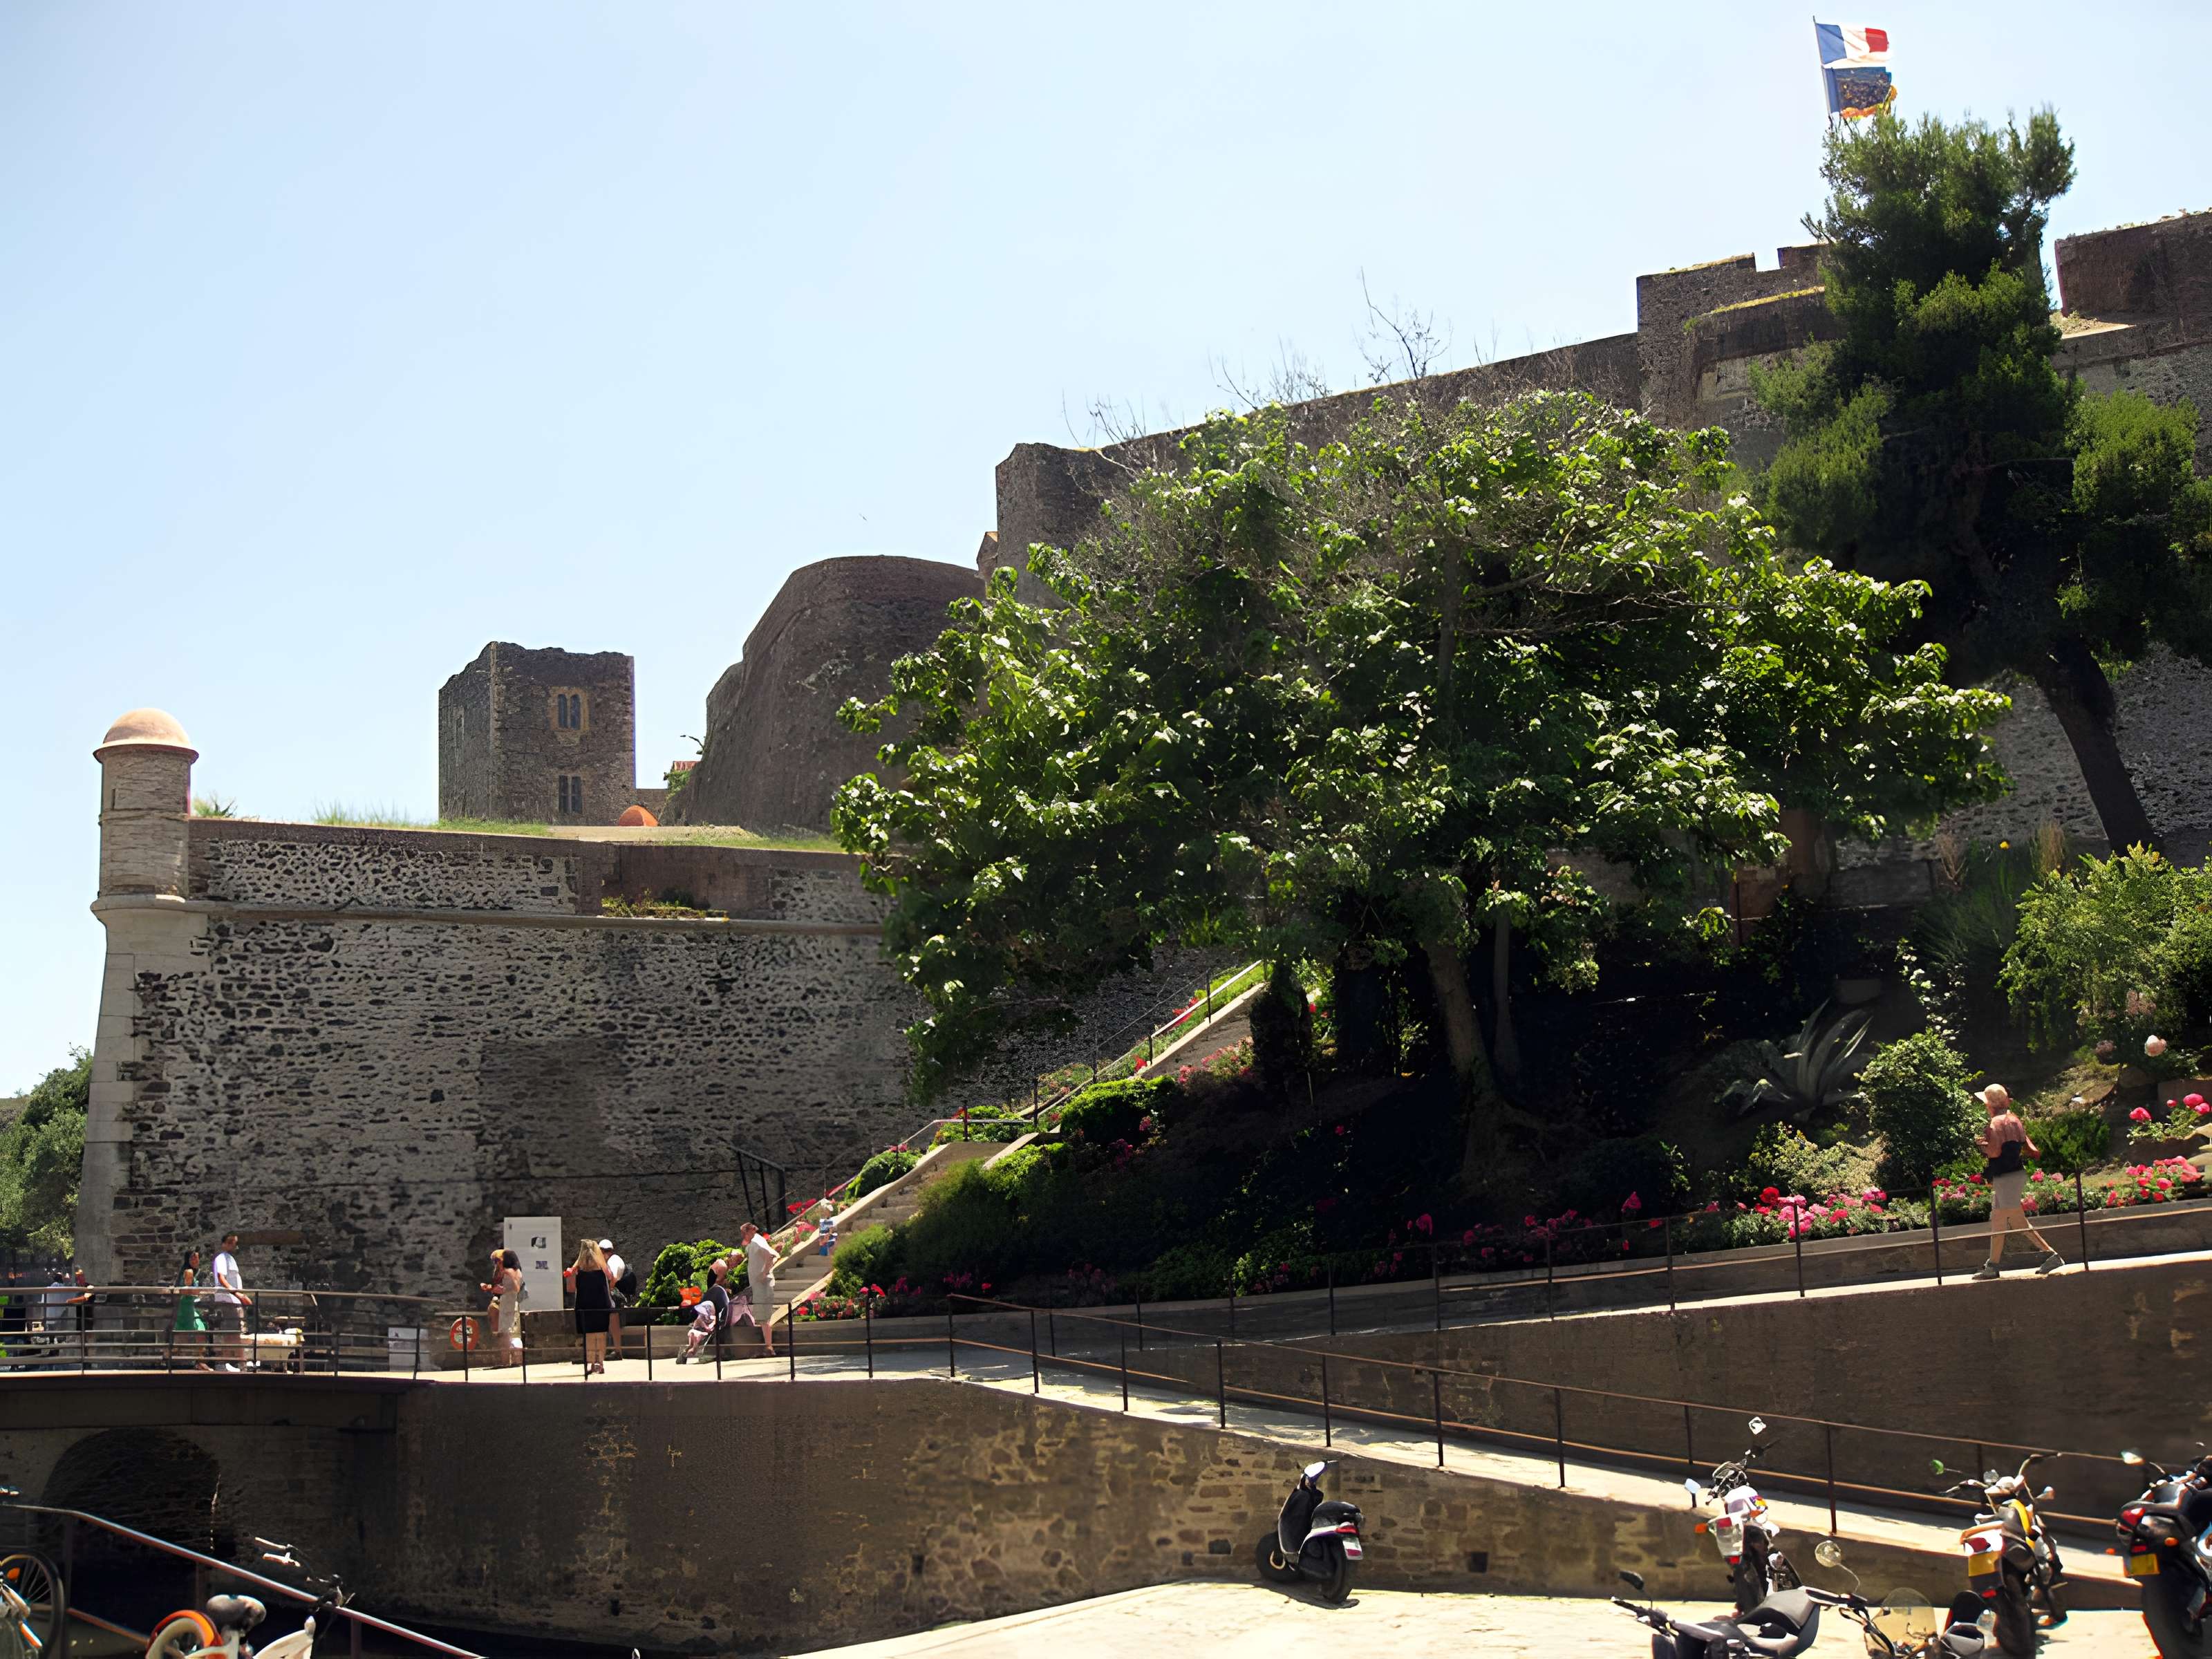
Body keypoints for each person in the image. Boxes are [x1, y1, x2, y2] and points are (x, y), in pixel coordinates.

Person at [1972, 1084, 2063, 1280]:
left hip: (2005, 1177)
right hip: (2016, 1174)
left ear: (1990, 1105)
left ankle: (2051, 1255)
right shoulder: (2015, 1120)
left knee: (2012, 1222)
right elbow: (2031, 1149)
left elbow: (1994, 1152)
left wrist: (1981, 1146)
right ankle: (1993, 1265)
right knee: (2004, 1221)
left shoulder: (1994, 1124)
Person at [210, 1232, 251, 1371]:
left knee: (235, 1331)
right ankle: (225, 1363)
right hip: (227, 1299)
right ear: (223, 1243)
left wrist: (240, 1295)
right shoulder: (221, 1258)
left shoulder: (231, 1259)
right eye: (230, 1242)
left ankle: (240, 1361)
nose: (233, 1245)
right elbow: (222, 1278)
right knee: (230, 1331)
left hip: (234, 1299)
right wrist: (238, 1294)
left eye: (234, 1242)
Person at [571, 1239, 611, 1375]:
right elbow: (610, 1276)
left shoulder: (578, 1267)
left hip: (585, 1303)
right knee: (600, 1334)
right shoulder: (601, 1265)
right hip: (600, 1302)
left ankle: (591, 1363)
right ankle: (600, 1363)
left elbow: (571, 1288)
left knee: (588, 1335)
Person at [741, 1221, 780, 1359]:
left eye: (744, 1232)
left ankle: (769, 1347)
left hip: (763, 1285)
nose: (743, 1235)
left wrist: (764, 1273)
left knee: (764, 1318)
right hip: (758, 1286)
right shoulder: (753, 1243)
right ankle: (768, 1346)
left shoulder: (757, 1241)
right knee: (763, 1318)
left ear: (749, 1231)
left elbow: (771, 1256)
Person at [478, 1249, 523, 1367]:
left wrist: (500, 1289)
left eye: (498, 1261)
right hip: (507, 1303)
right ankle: (508, 1362)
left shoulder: (511, 1271)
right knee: (506, 1334)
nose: (497, 1264)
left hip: (510, 1303)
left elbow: (515, 1287)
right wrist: (491, 1288)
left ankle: (513, 1362)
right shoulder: (510, 1271)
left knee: (510, 1334)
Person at [171, 1250, 211, 1369]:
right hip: (186, 1308)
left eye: (197, 1258)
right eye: (192, 1259)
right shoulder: (188, 1273)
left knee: (198, 1332)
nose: (195, 1261)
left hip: (193, 1307)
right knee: (188, 1335)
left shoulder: (199, 1273)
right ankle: (194, 1362)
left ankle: (199, 1362)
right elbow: (187, 1290)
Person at [601, 1238, 632, 1365]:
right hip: (618, 1294)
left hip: (616, 1295)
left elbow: (613, 1278)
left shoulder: (613, 1261)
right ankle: (615, 1349)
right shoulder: (615, 1259)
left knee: (613, 1322)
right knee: (611, 1322)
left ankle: (617, 1350)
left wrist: (609, 1290)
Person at [679, 1293, 718, 1363]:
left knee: (698, 1339)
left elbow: (713, 1323)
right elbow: (703, 1325)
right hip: (697, 1331)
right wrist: (707, 1327)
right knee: (693, 1340)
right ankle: (685, 1354)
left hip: (703, 1333)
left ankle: (690, 1352)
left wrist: (710, 1326)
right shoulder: (700, 1317)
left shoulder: (712, 1317)